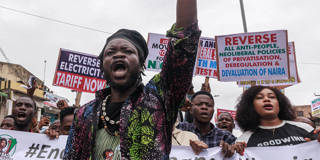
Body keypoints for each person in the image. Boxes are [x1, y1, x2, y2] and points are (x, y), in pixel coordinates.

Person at [64, 0, 201, 159]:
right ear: (102, 65)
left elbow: (185, 41)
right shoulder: (84, 113)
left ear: (142, 64)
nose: (118, 55)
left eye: (128, 51)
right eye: (110, 53)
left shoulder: (159, 99)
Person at [234, 86, 320, 155]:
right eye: (259, 97)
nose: (267, 99)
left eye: (272, 97)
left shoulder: (305, 128)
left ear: (279, 103)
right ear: (251, 106)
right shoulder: (243, 140)